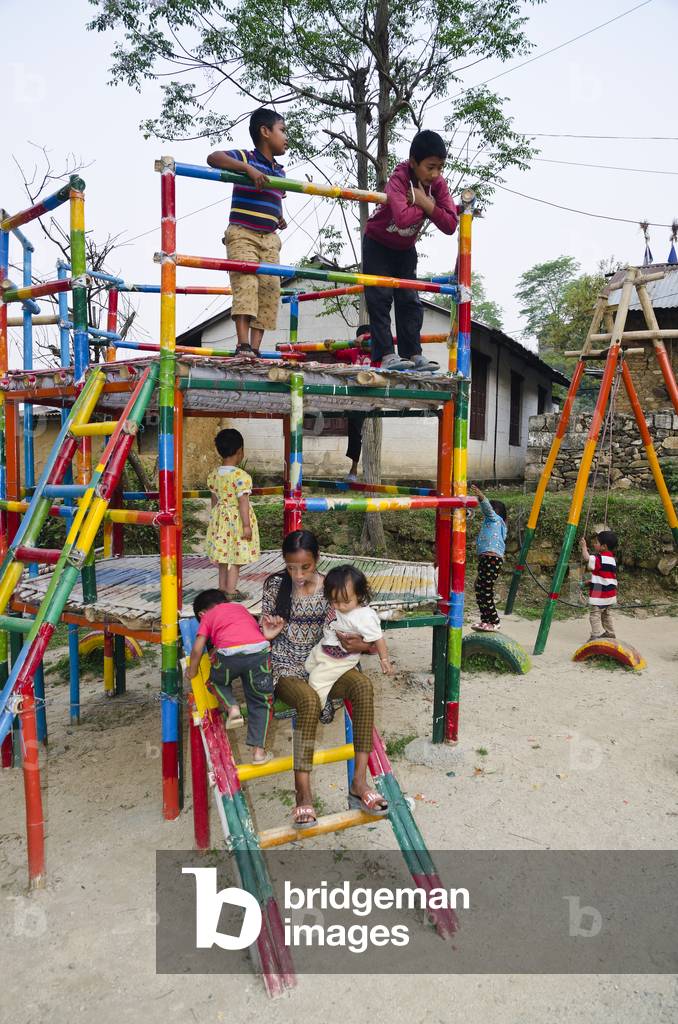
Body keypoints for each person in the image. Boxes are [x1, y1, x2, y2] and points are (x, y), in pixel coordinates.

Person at [260, 530, 389, 828]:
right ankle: (303, 796)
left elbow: (362, 629)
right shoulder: (276, 586)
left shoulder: (332, 585)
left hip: (326, 661)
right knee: (307, 699)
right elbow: (261, 634)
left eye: (304, 567)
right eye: (291, 567)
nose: (298, 574)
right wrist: (266, 635)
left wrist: (364, 646)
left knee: (362, 685)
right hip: (287, 664)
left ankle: (359, 782)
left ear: (316, 560)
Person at [362, 130, 458, 372]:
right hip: (378, 244)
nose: (435, 174)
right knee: (380, 298)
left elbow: (450, 224)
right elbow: (403, 219)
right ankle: (386, 355)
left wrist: (424, 201)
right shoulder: (399, 179)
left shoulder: (437, 184)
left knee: (410, 300)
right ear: (413, 162)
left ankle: (413, 353)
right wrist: (430, 208)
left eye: (440, 167)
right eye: (430, 167)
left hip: (405, 248)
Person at [207, 108, 288, 355]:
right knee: (246, 283)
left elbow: (273, 197)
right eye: (282, 130)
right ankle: (242, 345)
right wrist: (247, 170)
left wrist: (279, 216)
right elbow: (213, 157)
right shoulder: (246, 157)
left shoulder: (280, 171)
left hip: (270, 237)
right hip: (243, 233)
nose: (286, 137)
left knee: (270, 287)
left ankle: (255, 348)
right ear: (265, 132)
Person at [184, 589, 273, 764]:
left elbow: (197, 648)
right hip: (259, 652)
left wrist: (192, 670)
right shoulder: (240, 608)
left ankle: (232, 707)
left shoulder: (208, 616)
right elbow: (244, 634)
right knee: (261, 701)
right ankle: (258, 753)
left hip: (229, 655)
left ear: (202, 613)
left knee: (216, 682)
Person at [305, 565, 393, 725]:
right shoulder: (339, 605)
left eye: (345, 602)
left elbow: (378, 638)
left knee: (316, 680)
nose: (339, 606)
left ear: (359, 595)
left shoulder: (365, 617)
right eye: (334, 601)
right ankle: (329, 694)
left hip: (342, 657)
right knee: (308, 666)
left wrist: (384, 659)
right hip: (326, 648)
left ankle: (321, 708)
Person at [206, 428, 260, 600]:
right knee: (236, 557)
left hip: (220, 519)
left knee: (223, 556)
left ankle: (221, 588)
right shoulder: (241, 476)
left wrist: (214, 520)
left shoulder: (213, 475)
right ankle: (231, 590)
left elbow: (214, 501)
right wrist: (246, 525)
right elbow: (243, 502)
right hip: (237, 521)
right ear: (240, 451)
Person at [469, 484, 507, 632]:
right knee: (479, 587)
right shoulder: (491, 523)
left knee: (486, 589)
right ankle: (486, 620)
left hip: (493, 559)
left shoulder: (496, 520)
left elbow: (488, 511)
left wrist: (482, 498)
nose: (486, 512)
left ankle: (494, 621)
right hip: (486, 559)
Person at [579, 530, 618, 640]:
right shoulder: (612, 560)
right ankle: (610, 632)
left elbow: (587, 558)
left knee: (594, 615)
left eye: (596, 542)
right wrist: (590, 582)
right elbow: (605, 577)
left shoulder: (600, 558)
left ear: (604, 546)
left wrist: (584, 547)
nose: (594, 544)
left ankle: (595, 635)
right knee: (606, 614)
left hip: (600, 593)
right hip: (610, 593)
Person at [345, 324, 370, 480]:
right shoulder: (354, 352)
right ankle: (353, 468)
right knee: (355, 432)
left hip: (374, 395)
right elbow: (336, 353)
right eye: (365, 339)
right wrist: (330, 345)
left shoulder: (379, 353)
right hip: (357, 398)